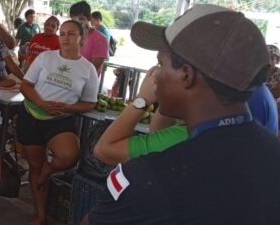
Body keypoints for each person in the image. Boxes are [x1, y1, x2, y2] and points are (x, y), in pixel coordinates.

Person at [74, 4, 280, 225]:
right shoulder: (272, 154)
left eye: (161, 64)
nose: (155, 74)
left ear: (187, 75)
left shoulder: (155, 175)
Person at [94, 65, 279, 166]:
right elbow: (158, 130)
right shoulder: (251, 95)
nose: (158, 71)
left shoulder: (190, 137)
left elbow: (104, 150)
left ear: (187, 75)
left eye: (164, 62)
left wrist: (142, 100)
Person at [18, 20, 98, 225]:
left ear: (82, 38)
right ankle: (40, 215)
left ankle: (48, 171)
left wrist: (70, 107)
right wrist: (42, 103)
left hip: (60, 120)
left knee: (69, 156)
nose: (65, 38)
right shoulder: (45, 58)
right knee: (34, 166)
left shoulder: (88, 69)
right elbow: (25, 85)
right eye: (62, 33)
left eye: (71, 34)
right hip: (32, 115)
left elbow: (90, 103)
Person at [69, 1, 108, 75]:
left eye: (81, 19)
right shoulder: (70, 35)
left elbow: (92, 70)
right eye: (74, 19)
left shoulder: (100, 39)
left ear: (89, 18)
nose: (77, 22)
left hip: (86, 83)